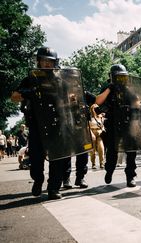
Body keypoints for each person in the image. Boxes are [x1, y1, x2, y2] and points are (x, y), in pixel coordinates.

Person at [11, 46, 71, 199]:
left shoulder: (61, 80)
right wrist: (28, 93)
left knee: (57, 159)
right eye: (43, 61)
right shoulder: (30, 78)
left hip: (57, 124)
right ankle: (38, 180)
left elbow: (70, 99)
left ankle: (53, 189)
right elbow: (14, 96)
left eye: (49, 61)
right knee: (36, 158)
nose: (46, 64)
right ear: (38, 61)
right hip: (37, 124)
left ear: (55, 63)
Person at [95, 64, 139, 187]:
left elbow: (137, 102)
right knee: (112, 152)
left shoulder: (129, 88)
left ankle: (131, 176)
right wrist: (110, 88)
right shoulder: (107, 87)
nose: (120, 79)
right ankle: (109, 171)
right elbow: (98, 101)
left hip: (127, 123)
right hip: (113, 124)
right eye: (118, 77)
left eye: (122, 77)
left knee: (131, 151)